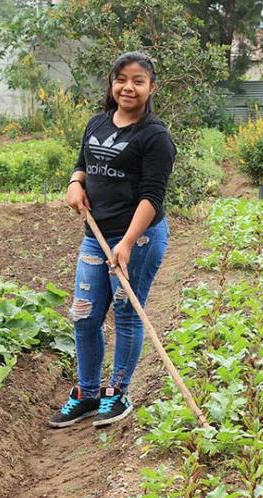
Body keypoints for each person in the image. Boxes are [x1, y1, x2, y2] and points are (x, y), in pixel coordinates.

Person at [49, 52, 175, 428]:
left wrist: (127, 242)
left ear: (152, 87)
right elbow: (83, 164)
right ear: (112, 83)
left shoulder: (155, 137)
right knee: (84, 317)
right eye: (121, 79)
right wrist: (74, 183)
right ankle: (87, 393)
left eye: (138, 80)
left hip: (138, 240)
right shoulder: (97, 123)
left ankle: (116, 392)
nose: (128, 87)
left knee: (125, 315)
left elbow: (152, 196)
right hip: (96, 237)